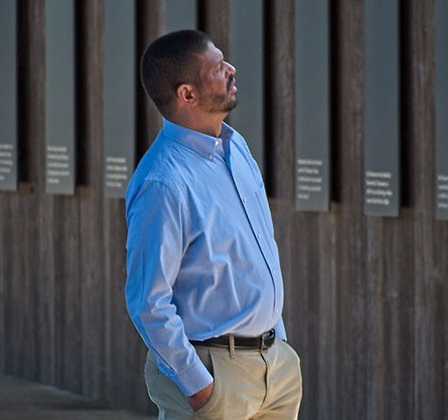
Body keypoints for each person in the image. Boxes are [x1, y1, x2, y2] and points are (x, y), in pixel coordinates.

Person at [125, 29, 302, 419]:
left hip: (275, 369)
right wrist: (198, 385)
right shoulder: (162, 183)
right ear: (187, 94)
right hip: (215, 377)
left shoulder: (235, 148)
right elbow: (147, 301)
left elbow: (258, 252)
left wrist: (279, 347)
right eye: (217, 68)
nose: (231, 70)